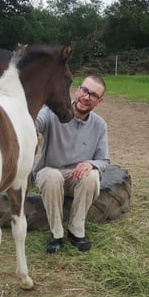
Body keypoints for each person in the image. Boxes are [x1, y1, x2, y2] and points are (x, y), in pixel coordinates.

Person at [33, 75, 110, 254]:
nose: (86, 97)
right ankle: (57, 234)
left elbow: (104, 161)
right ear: (77, 90)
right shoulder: (52, 113)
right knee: (51, 176)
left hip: (76, 178)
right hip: (50, 173)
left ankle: (76, 231)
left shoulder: (100, 126)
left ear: (99, 101)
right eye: (85, 90)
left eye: (93, 95)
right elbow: (35, 123)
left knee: (92, 176)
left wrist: (90, 164)